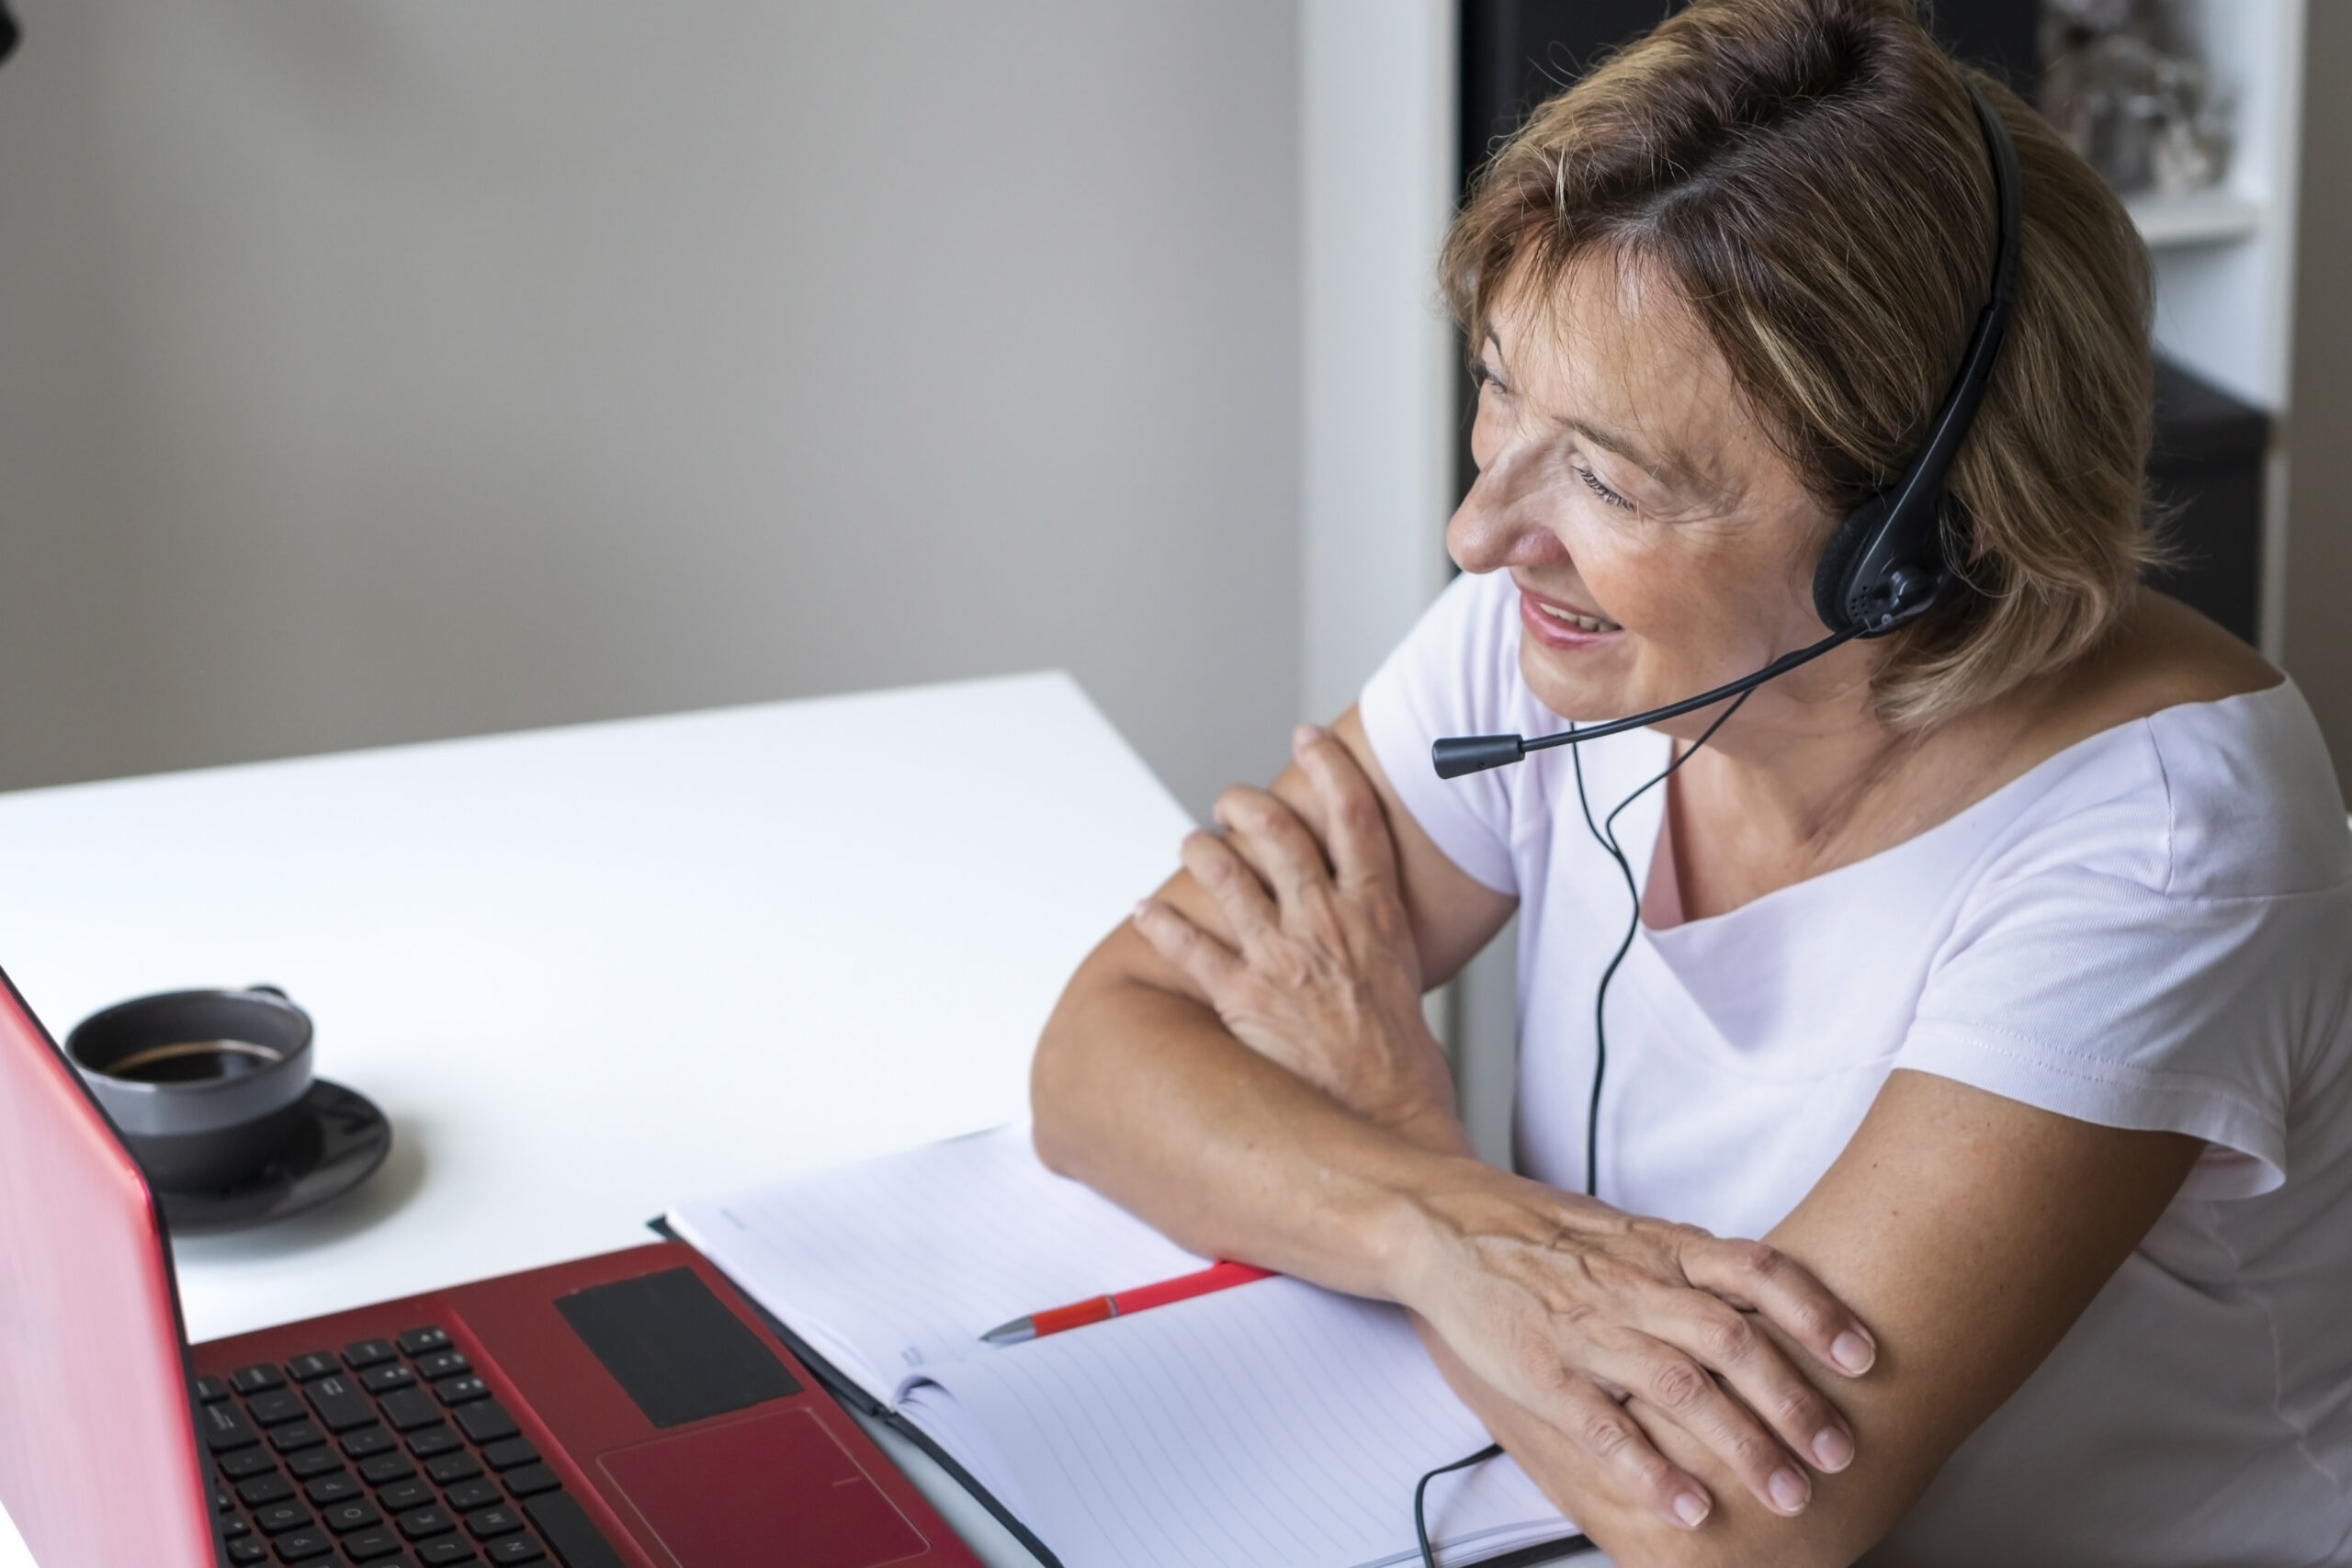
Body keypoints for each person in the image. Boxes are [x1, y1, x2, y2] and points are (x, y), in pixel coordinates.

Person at [1029, 1, 2352, 1563]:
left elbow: (1742, 1525)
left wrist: (1396, 1122)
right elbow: (1103, 1056)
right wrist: (1441, 1228)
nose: (1478, 529)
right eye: (1503, 387)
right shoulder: (1553, 637)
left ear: (1907, 541)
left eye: (1608, 472)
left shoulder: (2168, 845)